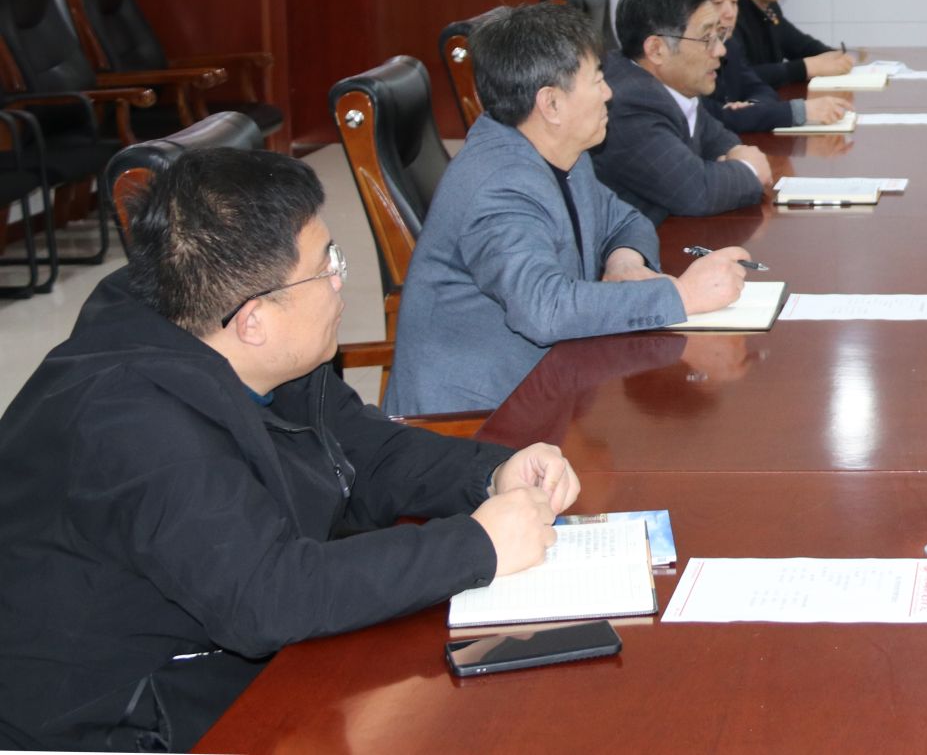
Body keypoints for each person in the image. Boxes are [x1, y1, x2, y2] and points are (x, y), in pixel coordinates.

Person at [0, 149, 579, 750]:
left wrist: (489, 474)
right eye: (326, 265)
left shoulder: (220, 325)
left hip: (205, 660)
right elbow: (267, 598)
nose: (339, 279)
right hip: (104, 720)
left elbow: (363, 451)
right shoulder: (138, 423)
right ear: (253, 320)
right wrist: (477, 545)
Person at [387, 4, 747, 416]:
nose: (609, 93)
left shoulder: (560, 150)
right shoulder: (500, 186)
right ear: (551, 104)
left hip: (548, 386)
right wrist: (682, 295)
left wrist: (624, 261)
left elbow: (626, 219)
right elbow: (545, 309)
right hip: (474, 420)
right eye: (597, 80)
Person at [592, 0, 772, 219]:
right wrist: (749, 168)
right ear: (657, 49)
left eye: (719, 35)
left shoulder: (675, 86)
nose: (720, 50)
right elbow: (697, 193)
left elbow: (719, 140)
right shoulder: (625, 104)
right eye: (707, 38)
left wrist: (733, 162)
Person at [674, 0, 852, 134]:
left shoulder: (730, 44)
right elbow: (712, 118)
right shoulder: (680, 54)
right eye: (718, 2)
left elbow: (760, 88)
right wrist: (800, 111)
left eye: (734, 2)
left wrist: (752, 106)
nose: (730, 13)